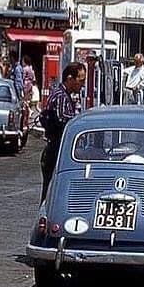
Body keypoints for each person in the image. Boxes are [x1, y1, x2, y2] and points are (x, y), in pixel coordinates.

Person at [40, 62, 86, 201]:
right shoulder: (61, 97)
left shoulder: (64, 96)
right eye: (81, 80)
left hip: (56, 149)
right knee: (52, 191)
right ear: (70, 78)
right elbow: (63, 122)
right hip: (56, 150)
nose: (82, 84)